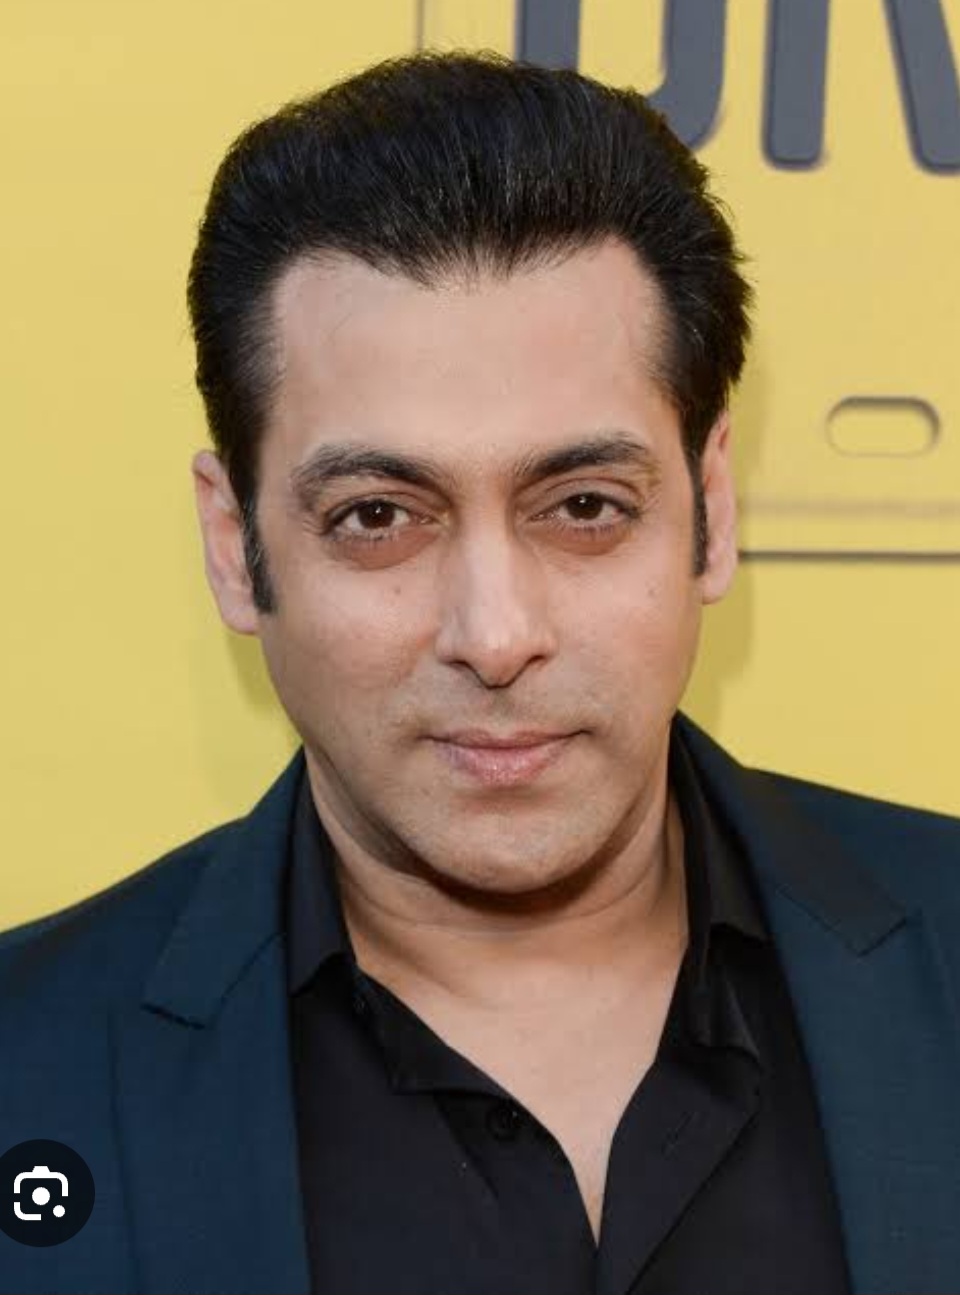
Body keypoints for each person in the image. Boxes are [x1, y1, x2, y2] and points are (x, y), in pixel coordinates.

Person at [2, 50, 959, 1295]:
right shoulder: (28, 1063)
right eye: (377, 517)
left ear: (712, 510)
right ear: (236, 548)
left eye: (585, 505)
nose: (496, 636)